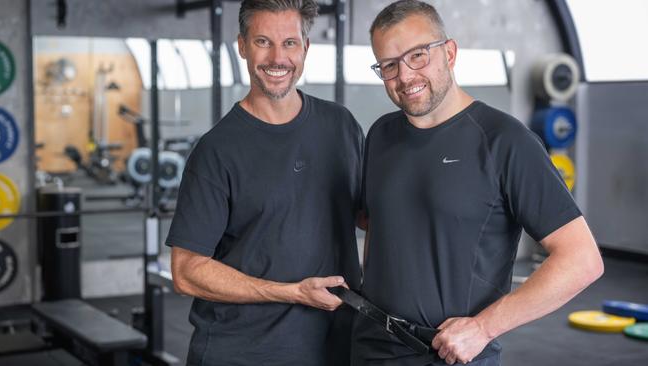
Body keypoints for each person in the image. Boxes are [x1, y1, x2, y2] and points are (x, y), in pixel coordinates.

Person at [351, 1, 604, 365]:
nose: (405, 76)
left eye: (418, 55)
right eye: (389, 65)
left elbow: (582, 259)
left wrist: (484, 328)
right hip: (370, 346)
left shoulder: (505, 141)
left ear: (449, 53)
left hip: (450, 355)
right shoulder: (381, 134)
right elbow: (376, 222)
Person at [166, 1, 363, 365]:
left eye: (289, 43)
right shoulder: (216, 150)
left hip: (336, 346)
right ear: (241, 45)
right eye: (262, 41)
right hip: (244, 352)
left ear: (306, 48)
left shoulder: (341, 125)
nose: (278, 57)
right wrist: (293, 293)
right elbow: (186, 272)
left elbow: (365, 213)